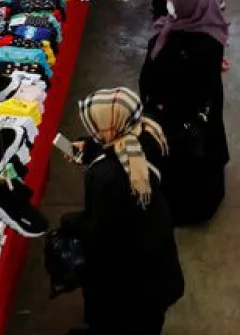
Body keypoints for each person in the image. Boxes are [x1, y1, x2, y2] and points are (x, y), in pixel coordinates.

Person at [74, 88, 185, 334]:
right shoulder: (148, 133)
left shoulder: (106, 177)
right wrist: (93, 149)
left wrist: (70, 223)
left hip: (128, 277)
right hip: (157, 265)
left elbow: (101, 231)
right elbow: (119, 150)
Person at [139, 0, 230, 226]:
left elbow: (188, 91)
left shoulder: (196, 46)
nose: (168, 0)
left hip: (182, 120)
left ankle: (189, 210)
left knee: (187, 165)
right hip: (183, 116)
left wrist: (160, 103)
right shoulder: (186, 26)